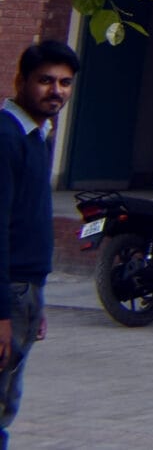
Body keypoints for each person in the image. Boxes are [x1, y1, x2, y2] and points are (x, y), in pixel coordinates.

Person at [0, 41, 73, 450]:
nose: (56, 91)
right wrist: (2, 315)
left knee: (6, 399)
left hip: (24, 290)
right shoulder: (6, 137)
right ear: (21, 81)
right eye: (46, 80)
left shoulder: (37, 135)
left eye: (64, 83)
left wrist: (35, 300)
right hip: (8, 292)